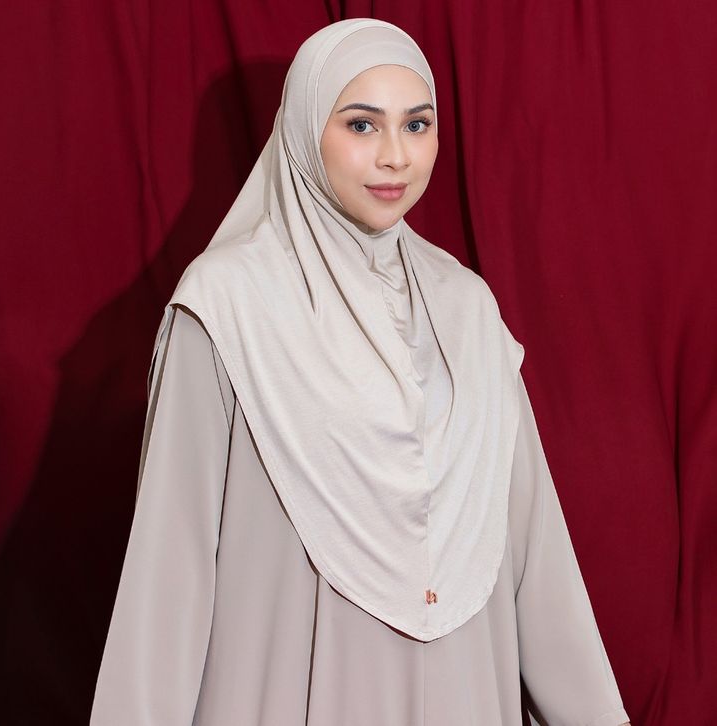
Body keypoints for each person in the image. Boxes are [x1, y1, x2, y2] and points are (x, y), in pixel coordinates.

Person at [90, 18, 631, 726]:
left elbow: (535, 550)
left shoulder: (465, 307)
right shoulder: (226, 305)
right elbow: (171, 564)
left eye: (417, 125)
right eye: (362, 125)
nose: (395, 156)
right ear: (306, 131)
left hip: (461, 690)